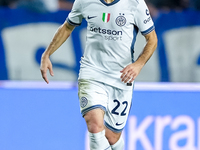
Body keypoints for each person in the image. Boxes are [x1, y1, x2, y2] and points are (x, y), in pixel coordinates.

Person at [40, 0, 157, 149]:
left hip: (121, 77)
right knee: (94, 126)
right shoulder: (84, 1)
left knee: (112, 137)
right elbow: (67, 27)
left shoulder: (135, 3)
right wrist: (47, 54)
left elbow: (152, 39)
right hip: (92, 72)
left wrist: (138, 64)